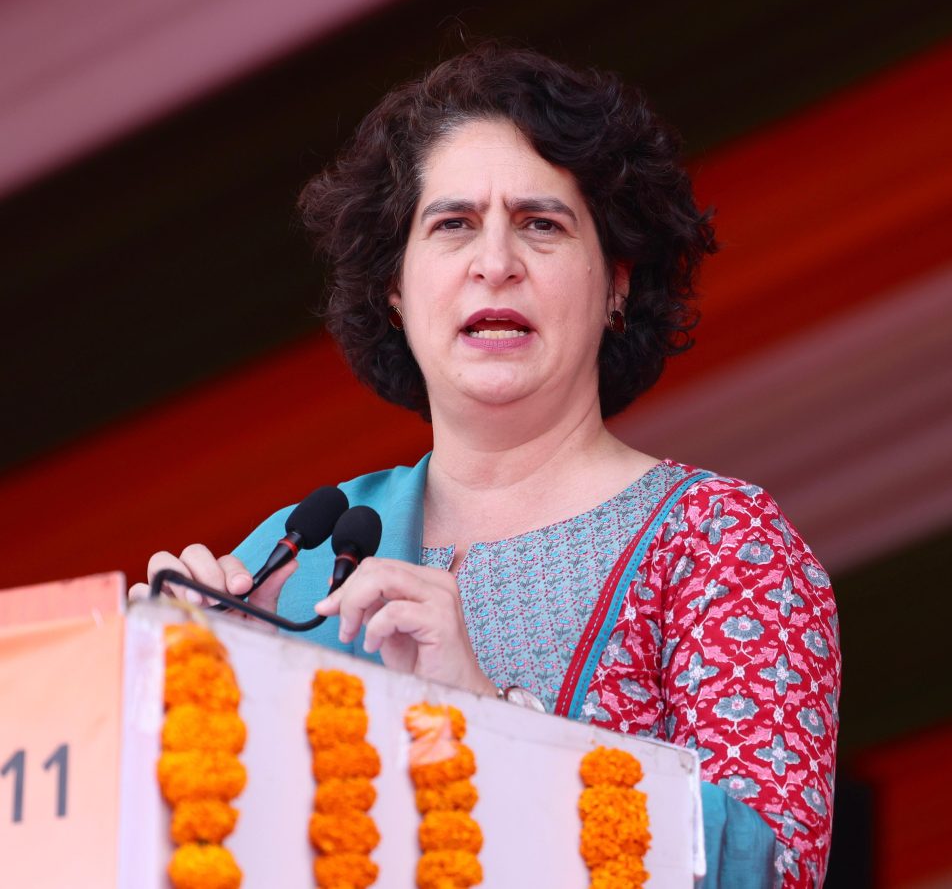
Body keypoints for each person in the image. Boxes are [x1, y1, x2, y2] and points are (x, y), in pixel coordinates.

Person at [134, 44, 840, 888]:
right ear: (394, 290)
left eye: (542, 224)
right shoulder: (298, 554)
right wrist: (198, 699)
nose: (495, 262)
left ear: (617, 282)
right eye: (453, 224)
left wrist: (493, 728)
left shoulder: (720, 544)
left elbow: (769, 870)